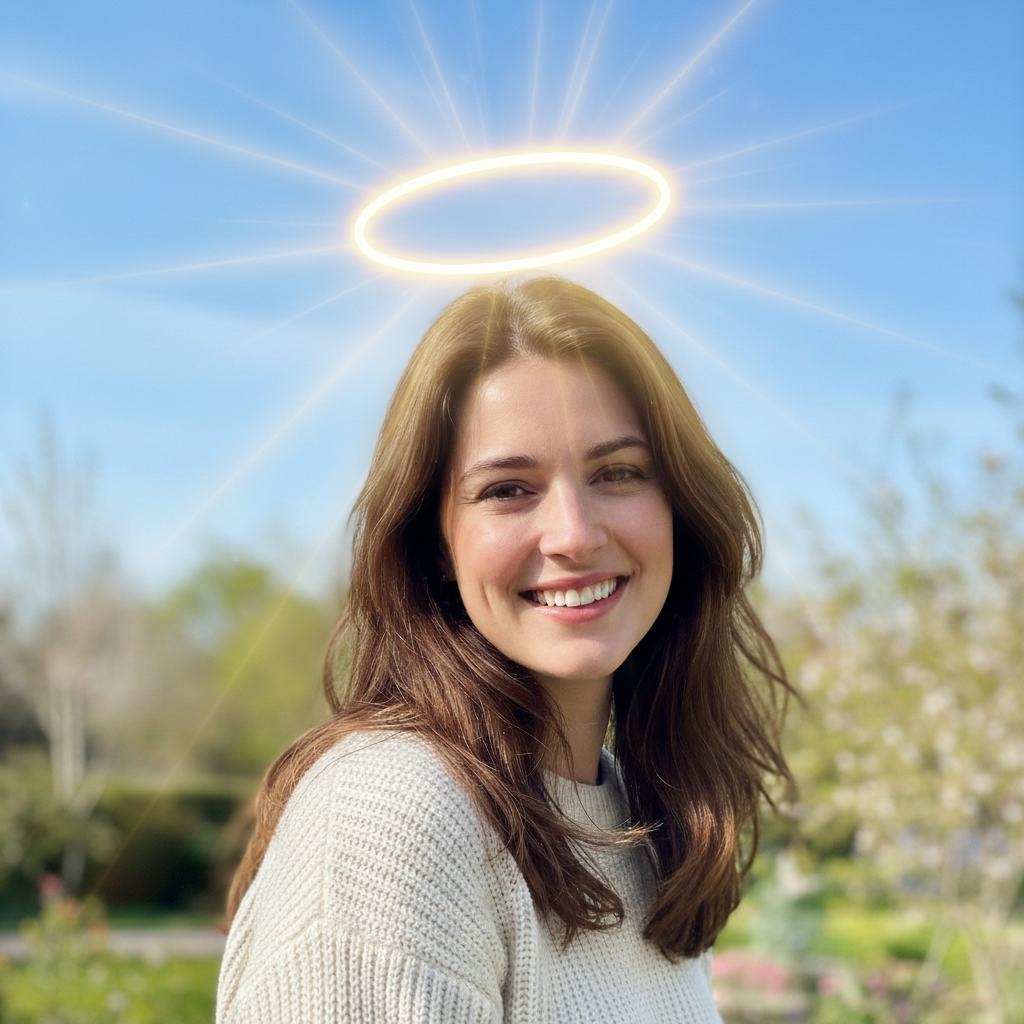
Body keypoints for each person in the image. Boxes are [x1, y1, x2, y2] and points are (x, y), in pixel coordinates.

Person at [216, 277, 793, 1023]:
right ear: (436, 547)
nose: (575, 534)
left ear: (679, 504)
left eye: (616, 473)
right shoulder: (392, 814)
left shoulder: (640, 820)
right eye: (508, 490)